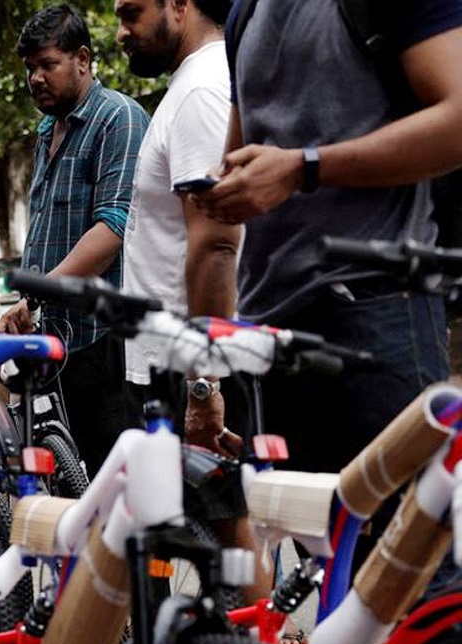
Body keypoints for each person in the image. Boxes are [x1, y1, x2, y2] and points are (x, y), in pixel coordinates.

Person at [193, 0, 459, 474]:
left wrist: (303, 168)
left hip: (376, 314)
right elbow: (240, 157)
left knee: (391, 543)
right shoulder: (244, 12)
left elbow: (456, 122)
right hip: (268, 332)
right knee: (311, 543)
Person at [0, 4, 149, 476]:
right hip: (55, 344)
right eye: (29, 69)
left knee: (117, 490)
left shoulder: (117, 119)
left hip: (103, 345)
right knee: (65, 490)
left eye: (48, 65)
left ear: (82, 59)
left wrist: (40, 294)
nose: (35, 78)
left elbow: (112, 229)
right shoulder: (48, 130)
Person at [113, 0, 238, 446]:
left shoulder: (200, 90)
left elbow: (217, 242)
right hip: (167, 367)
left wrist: (204, 385)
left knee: (213, 513)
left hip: (184, 373)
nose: (121, 33)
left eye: (131, 14)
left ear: (179, 5)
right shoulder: (190, 86)